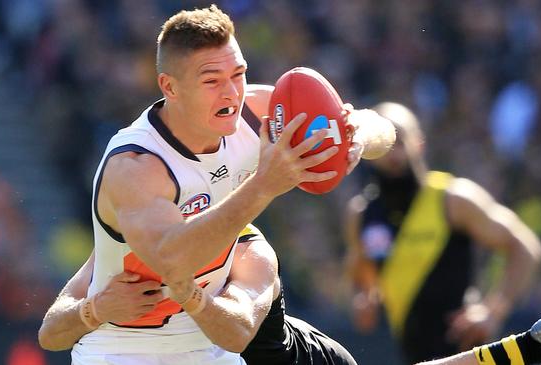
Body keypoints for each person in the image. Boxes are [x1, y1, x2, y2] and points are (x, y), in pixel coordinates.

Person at [46, 5, 394, 364]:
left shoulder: (254, 114)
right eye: (212, 80)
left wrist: (354, 137)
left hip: (212, 351)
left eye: (238, 74)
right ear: (170, 87)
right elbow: (173, 260)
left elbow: (382, 130)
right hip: (122, 354)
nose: (231, 92)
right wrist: (263, 186)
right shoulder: (136, 167)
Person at [38, 228, 541, 365]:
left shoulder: (250, 251)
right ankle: (536, 347)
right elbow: (51, 331)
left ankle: (532, 347)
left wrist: (193, 298)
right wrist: (93, 309)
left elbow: (236, 331)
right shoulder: (130, 245)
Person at [342, 102, 541, 364]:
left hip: (467, 351)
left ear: (419, 144)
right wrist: (363, 297)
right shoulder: (361, 215)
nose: (394, 155)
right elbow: (360, 272)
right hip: (412, 354)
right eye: (385, 146)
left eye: (401, 142)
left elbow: (526, 247)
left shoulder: (452, 198)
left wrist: (492, 312)